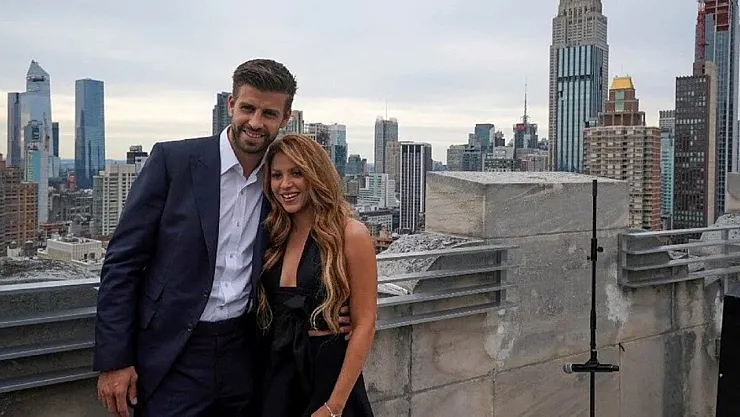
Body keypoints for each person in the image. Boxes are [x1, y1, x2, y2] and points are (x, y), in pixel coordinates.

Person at [93, 59, 350, 417]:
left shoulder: (280, 182)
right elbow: (123, 262)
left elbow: (310, 246)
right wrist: (114, 359)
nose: (255, 122)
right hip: (173, 353)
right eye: (248, 108)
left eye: (269, 113)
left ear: (285, 118)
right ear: (231, 104)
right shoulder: (173, 161)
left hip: (247, 353)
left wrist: (333, 309)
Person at [258, 134, 377, 417]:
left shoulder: (351, 234)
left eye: (296, 173)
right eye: (277, 175)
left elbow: (365, 324)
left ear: (316, 175)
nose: (285, 185)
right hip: (276, 377)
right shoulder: (272, 235)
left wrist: (334, 406)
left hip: (327, 380)